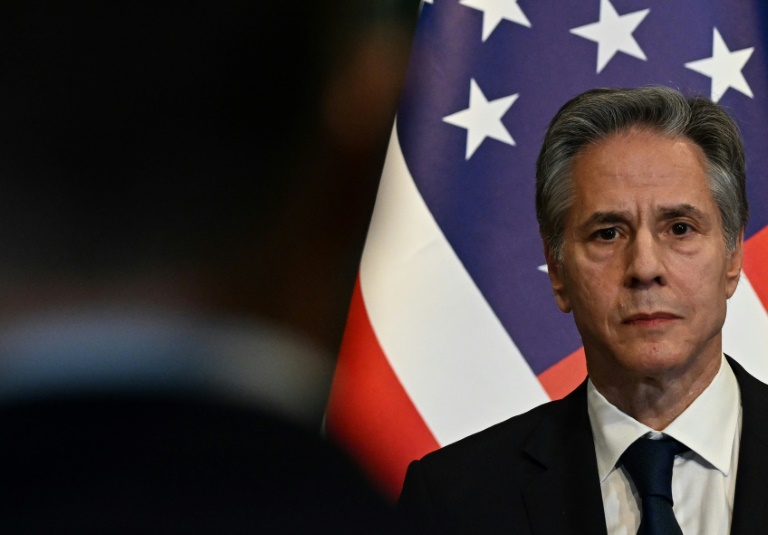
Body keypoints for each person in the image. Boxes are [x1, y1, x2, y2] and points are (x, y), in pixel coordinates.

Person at [397, 85, 768, 534]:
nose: (645, 267)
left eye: (680, 228)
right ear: (557, 270)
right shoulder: (454, 502)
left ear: (732, 256)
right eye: (607, 233)